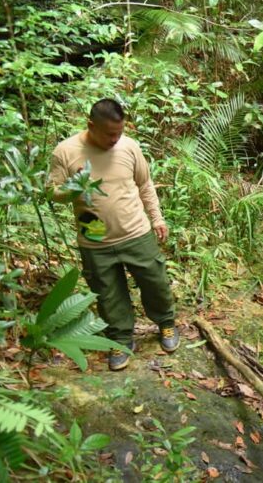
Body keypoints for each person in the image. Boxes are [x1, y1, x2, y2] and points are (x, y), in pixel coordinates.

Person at [48, 99, 178, 371]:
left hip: (136, 232)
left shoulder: (128, 147)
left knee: (155, 282)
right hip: (94, 239)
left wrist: (157, 218)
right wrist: (74, 189)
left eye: (119, 132)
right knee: (108, 294)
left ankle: (166, 323)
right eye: (109, 134)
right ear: (90, 126)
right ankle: (121, 339)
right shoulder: (66, 151)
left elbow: (145, 184)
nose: (115, 139)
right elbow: (53, 192)